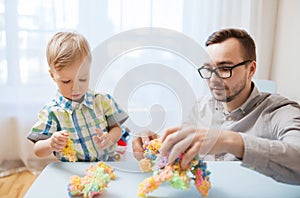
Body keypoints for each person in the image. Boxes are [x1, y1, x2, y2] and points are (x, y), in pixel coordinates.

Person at [132, 28, 300, 184]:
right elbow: (181, 159)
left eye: (225, 68)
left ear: (251, 69)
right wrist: (154, 149)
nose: (213, 80)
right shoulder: (201, 107)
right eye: (208, 69)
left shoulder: (280, 111)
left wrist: (230, 141)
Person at [27, 32, 128, 162]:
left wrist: (110, 138)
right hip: (74, 172)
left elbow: (117, 129)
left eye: (82, 79)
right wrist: (50, 143)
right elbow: (37, 150)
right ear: (52, 75)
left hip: (107, 165)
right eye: (66, 81)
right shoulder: (52, 112)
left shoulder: (103, 101)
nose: (76, 88)